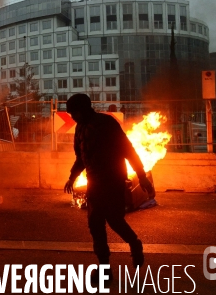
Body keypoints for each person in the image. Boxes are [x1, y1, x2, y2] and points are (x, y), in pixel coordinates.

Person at [63, 93, 153, 284]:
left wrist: (142, 176)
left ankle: (134, 243)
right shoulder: (79, 129)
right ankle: (104, 269)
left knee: (114, 221)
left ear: (84, 109)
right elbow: (81, 157)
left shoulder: (107, 124)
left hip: (113, 181)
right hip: (94, 183)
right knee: (95, 224)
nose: (72, 116)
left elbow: (128, 150)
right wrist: (72, 177)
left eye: (74, 112)